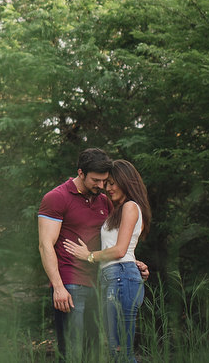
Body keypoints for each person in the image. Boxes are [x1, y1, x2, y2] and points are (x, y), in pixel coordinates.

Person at [64, 159, 152, 363]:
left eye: (113, 183)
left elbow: (120, 250)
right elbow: (125, 247)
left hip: (121, 278)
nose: (108, 188)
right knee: (117, 350)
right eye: (106, 183)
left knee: (121, 352)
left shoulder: (130, 206)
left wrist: (89, 256)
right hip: (117, 277)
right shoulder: (119, 210)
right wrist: (136, 263)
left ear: (126, 182)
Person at [38, 148, 115, 361]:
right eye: (96, 180)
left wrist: (132, 261)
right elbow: (45, 245)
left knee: (93, 353)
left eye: (104, 181)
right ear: (80, 173)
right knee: (72, 352)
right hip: (70, 286)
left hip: (98, 284)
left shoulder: (103, 201)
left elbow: (113, 240)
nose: (101, 186)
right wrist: (58, 287)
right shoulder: (56, 197)